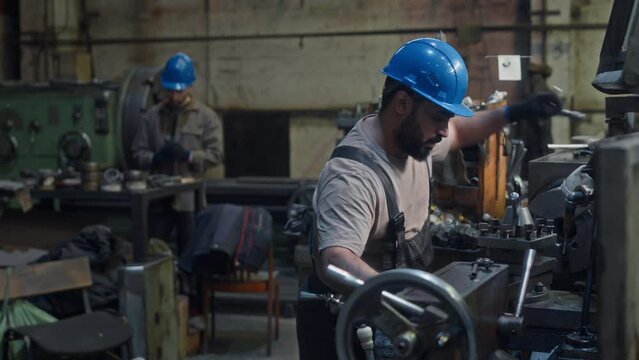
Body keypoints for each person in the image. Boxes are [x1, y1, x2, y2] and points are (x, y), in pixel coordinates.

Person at [296, 38, 562, 359]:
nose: (445, 131)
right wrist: (421, 302)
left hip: (399, 312)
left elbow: (463, 132)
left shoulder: (413, 139)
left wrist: (514, 111)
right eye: (439, 118)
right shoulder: (353, 175)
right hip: (351, 325)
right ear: (402, 104)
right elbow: (335, 262)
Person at [131, 52, 224, 254]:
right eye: (170, 90)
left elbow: (217, 154)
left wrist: (189, 156)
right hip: (157, 198)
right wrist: (154, 158)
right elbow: (137, 153)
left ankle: (189, 286)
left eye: (179, 91)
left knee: (190, 254)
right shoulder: (151, 116)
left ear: (190, 86)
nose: (174, 96)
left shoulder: (206, 117)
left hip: (189, 200)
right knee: (152, 251)